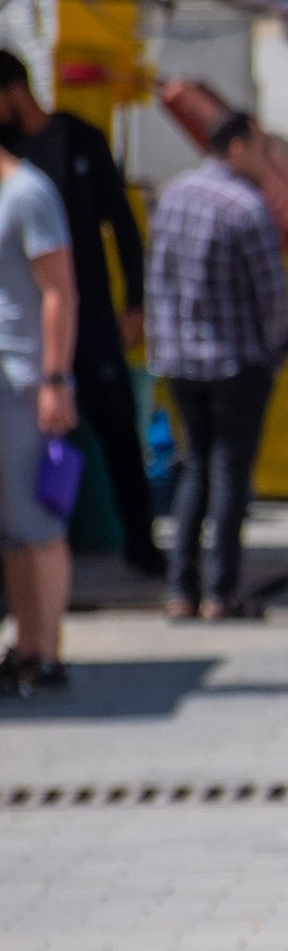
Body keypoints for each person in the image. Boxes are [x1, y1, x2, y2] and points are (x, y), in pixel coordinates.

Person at [0, 47, 157, 577]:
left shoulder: (75, 142)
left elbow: (124, 226)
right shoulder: (8, 156)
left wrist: (136, 300)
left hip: (86, 318)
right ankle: (47, 546)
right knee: (29, 454)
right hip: (26, 328)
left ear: (14, 92)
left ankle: (140, 540)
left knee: (116, 429)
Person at [145, 108, 288, 625]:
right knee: (230, 473)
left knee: (195, 468)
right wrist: (275, 349)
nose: (267, 159)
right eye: (261, 148)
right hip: (235, 361)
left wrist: (164, 346)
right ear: (236, 147)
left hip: (181, 361)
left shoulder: (173, 196)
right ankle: (220, 590)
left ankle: (180, 589)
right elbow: (272, 296)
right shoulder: (246, 208)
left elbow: (156, 280)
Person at [0, 120, 77, 693]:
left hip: (26, 381)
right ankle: (25, 643)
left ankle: (47, 652)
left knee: (38, 521)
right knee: (12, 528)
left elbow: (59, 290)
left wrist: (55, 378)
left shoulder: (28, 194)